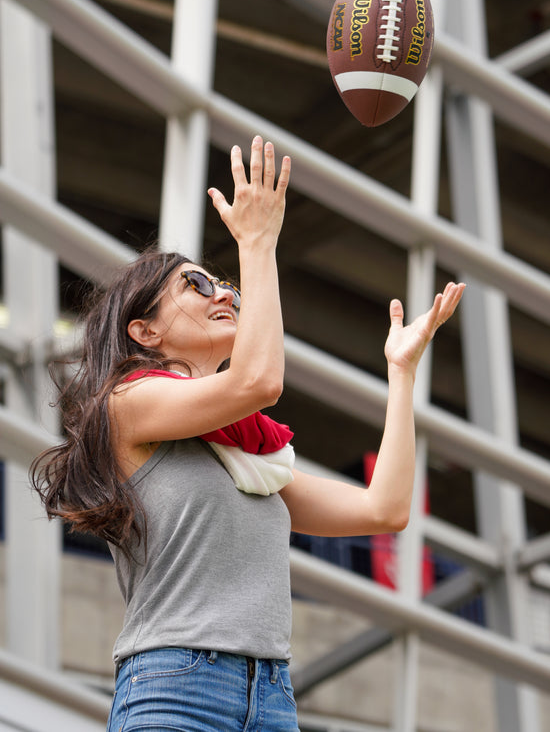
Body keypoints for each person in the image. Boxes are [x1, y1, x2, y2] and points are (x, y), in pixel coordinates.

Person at [31, 135, 464, 732]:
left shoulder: (248, 455)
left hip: (272, 699)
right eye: (197, 286)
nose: (225, 293)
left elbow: (384, 509)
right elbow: (258, 380)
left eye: (225, 285)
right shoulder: (128, 405)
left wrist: (401, 374)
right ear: (145, 332)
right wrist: (258, 243)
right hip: (175, 689)